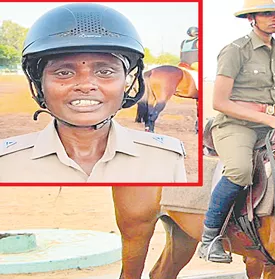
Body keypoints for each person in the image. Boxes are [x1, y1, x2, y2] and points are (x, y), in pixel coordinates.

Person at [0, 3, 187, 183]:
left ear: (126, 81)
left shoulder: (166, 159)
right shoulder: (6, 163)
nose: (85, 85)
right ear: (40, 84)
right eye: (64, 73)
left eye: (105, 72)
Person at [198, 0, 275, 262]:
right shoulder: (235, 50)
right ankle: (209, 238)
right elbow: (220, 102)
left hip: (274, 122)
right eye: (268, 13)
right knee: (240, 170)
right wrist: (271, 121)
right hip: (236, 125)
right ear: (252, 18)